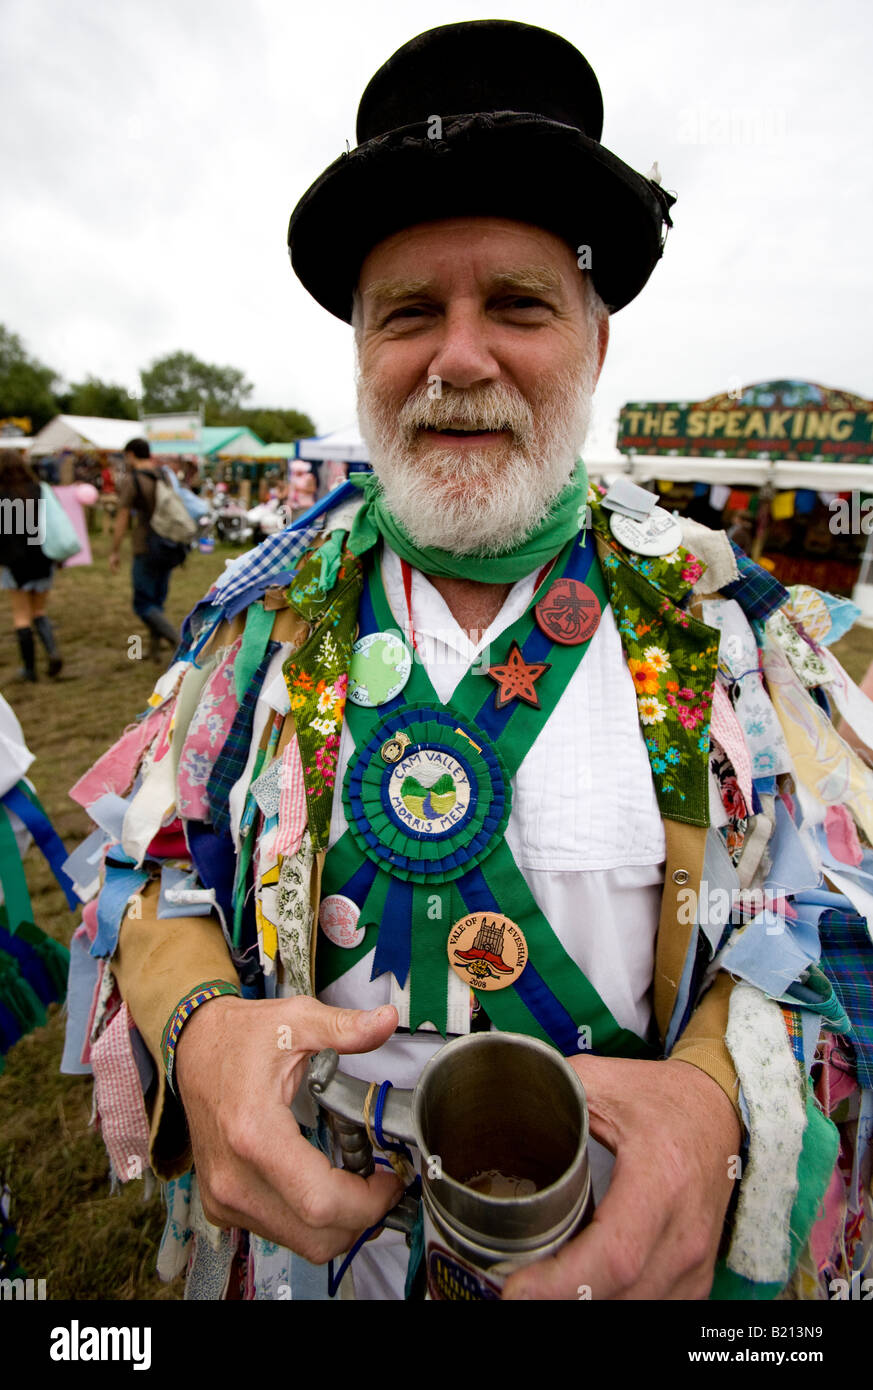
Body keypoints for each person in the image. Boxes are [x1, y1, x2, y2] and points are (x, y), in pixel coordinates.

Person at [66, 21, 871, 1302]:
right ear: (362, 356)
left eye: (517, 304)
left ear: (596, 344)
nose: (457, 357)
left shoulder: (730, 640)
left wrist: (717, 1098)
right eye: (408, 314)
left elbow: (819, 918)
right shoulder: (259, 626)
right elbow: (152, 876)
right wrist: (199, 1027)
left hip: (633, 1266)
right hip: (312, 1266)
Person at [109, 438, 180, 661]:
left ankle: (177, 641)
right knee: (156, 600)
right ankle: (154, 651)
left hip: (146, 544)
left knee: (143, 603)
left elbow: (122, 517)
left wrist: (114, 549)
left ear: (131, 454)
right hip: (168, 542)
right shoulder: (164, 474)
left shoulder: (133, 479)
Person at [0, 450, 63, 680]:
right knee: (39, 611)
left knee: (21, 616)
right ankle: (53, 652)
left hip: (15, 563)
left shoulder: (3, 496)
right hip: (43, 558)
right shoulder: (38, 490)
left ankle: (30, 669)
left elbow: (6, 535)